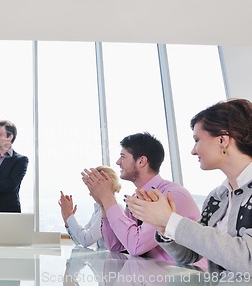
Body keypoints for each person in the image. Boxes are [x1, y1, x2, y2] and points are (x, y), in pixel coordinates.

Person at [126, 99, 252, 273]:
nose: (193, 150)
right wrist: (164, 227)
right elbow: (191, 254)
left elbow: (248, 259)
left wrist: (171, 220)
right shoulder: (217, 197)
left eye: (197, 140)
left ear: (222, 140)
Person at [83, 132, 201, 262]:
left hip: (187, 277)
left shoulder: (172, 195)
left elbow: (136, 245)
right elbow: (117, 246)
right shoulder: (136, 198)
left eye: (123, 156)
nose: (118, 162)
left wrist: (107, 198)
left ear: (141, 161)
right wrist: (104, 204)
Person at [59, 166, 121, 249]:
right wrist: (67, 219)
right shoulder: (99, 210)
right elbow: (79, 241)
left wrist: (69, 215)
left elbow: (86, 240)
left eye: (92, 188)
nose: (90, 193)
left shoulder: (112, 209)